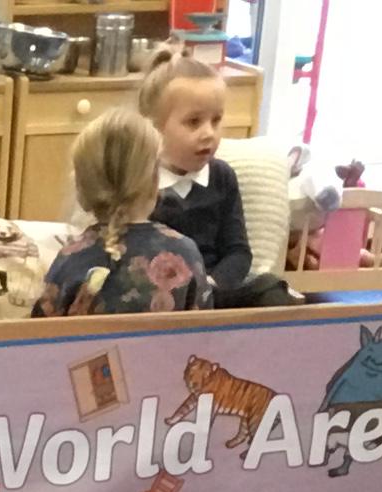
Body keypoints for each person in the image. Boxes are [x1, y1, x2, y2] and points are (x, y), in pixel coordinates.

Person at [139, 49, 291, 305]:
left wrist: (211, 285)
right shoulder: (140, 181)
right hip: (159, 298)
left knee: (272, 289)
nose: (209, 133)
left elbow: (238, 252)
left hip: (215, 291)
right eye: (194, 122)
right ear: (155, 127)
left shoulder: (222, 177)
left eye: (216, 120)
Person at [35, 110, 205, 318]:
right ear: (154, 180)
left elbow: (38, 333)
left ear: (82, 186)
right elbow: (206, 331)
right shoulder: (185, 253)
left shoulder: (72, 258)